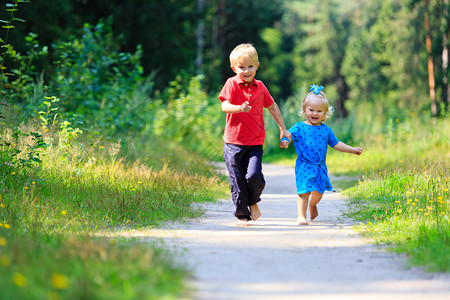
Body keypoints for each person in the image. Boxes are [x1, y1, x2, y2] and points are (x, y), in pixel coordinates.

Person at [219, 43, 291, 227]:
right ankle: (242, 215)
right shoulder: (231, 83)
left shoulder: (260, 87)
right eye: (241, 67)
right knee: (238, 180)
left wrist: (283, 128)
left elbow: (273, 106)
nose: (246, 71)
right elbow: (224, 106)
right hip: (233, 142)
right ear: (234, 68)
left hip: (255, 142)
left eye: (250, 66)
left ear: (257, 66)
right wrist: (239, 108)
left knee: (254, 176)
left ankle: (253, 201)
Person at [282, 85, 362, 225]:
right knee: (304, 192)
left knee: (319, 192)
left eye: (319, 111)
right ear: (304, 110)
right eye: (311, 110)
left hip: (320, 167)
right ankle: (301, 216)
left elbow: (337, 144)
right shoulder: (299, 127)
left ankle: (313, 205)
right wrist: (285, 140)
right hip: (304, 165)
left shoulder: (326, 130)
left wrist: (352, 149)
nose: (315, 113)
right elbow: (289, 135)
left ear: (325, 113)